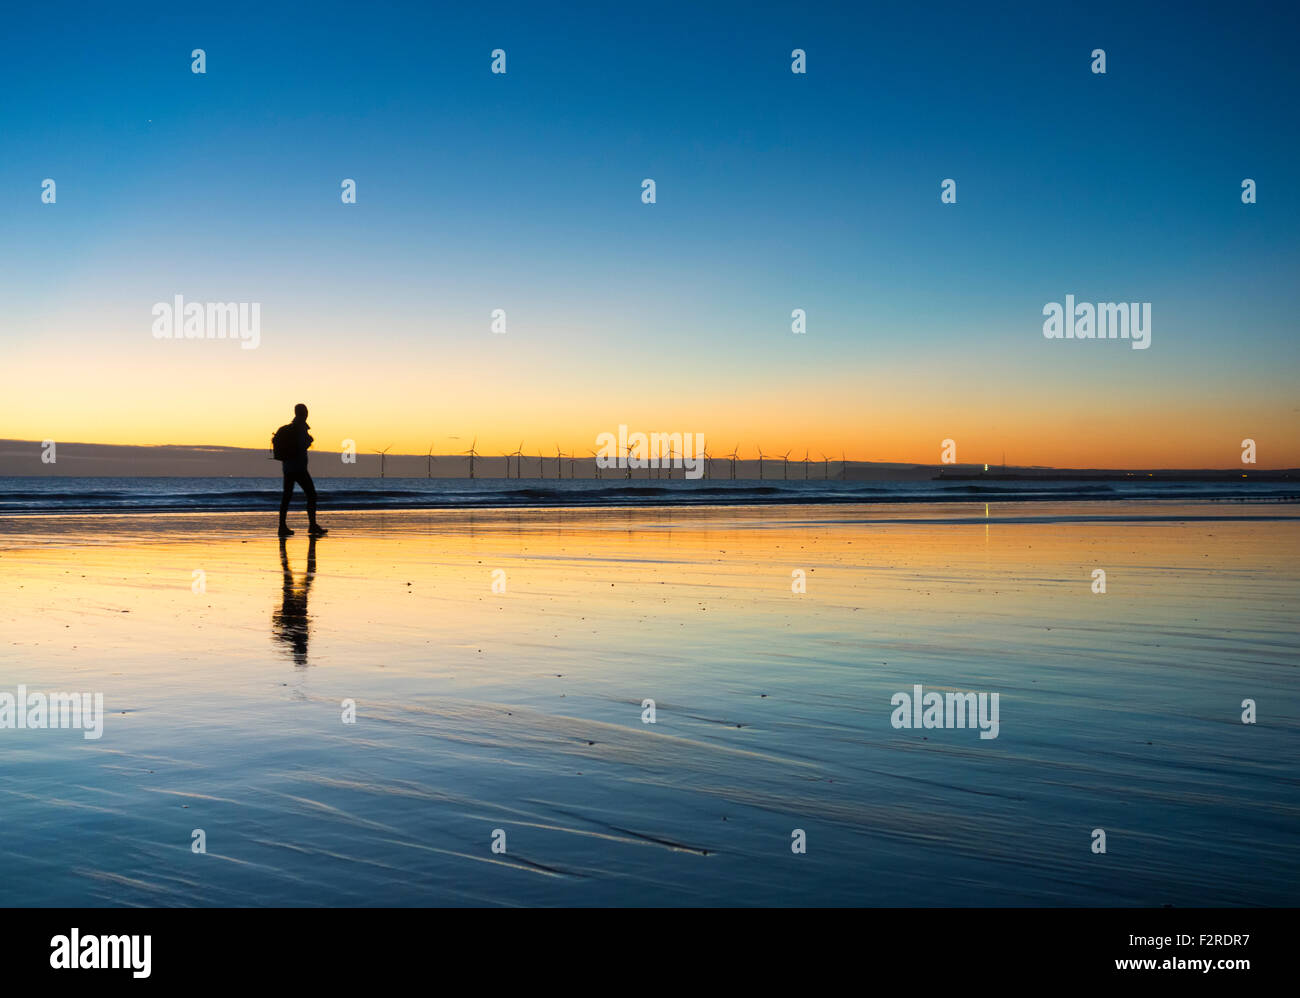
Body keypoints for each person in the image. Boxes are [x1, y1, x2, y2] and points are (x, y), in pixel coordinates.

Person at [278, 403, 327, 537]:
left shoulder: (289, 428)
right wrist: (309, 440)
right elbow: (301, 446)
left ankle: (282, 527)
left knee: (286, 497)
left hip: (287, 467)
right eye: (305, 411)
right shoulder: (300, 428)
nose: (306, 414)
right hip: (298, 468)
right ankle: (312, 525)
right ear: (304, 413)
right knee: (311, 494)